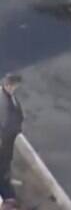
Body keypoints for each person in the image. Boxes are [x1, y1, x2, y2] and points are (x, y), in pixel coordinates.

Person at [0, 74, 23, 208]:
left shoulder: (7, 96)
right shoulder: (3, 101)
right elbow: (5, 123)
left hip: (7, 139)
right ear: (9, 85)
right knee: (3, 164)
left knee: (6, 162)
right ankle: (7, 193)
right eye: (15, 85)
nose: (16, 88)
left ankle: (6, 185)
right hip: (4, 141)